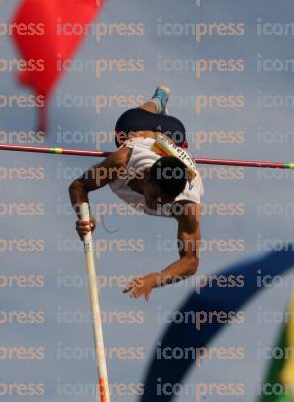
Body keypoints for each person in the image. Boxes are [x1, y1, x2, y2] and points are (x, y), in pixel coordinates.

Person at [69, 86, 204, 301]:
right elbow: (78, 186)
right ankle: (158, 101)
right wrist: (83, 215)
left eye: (165, 202)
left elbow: (191, 261)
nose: (158, 204)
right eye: (154, 196)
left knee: (168, 136)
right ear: (147, 174)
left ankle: (158, 117)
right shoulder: (121, 163)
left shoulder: (187, 204)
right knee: (134, 122)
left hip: (173, 134)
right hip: (136, 127)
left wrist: (156, 278)